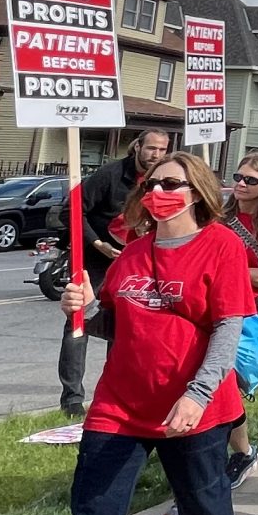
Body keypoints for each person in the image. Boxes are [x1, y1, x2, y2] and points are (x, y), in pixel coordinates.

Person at [0, 152, 249, 515]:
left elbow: (229, 327)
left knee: (204, 506)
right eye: (152, 183)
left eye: (172, 183)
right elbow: (116, 321)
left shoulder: (221, 246)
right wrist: (86, 306)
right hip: (120, 406)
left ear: (198, 192)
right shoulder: (133, 254)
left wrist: (198, 393)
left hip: (193, 407)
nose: (159, 190)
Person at [158, 152, 258, 515]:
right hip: (201, 310)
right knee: (219, 391)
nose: (241, 184)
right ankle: (242, 455)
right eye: (238, 176)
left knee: (220, 386)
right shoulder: (217, 213)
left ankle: (197, 488)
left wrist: (226, 269)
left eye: (251, 180)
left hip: (248, 318)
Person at [55, 125, 173, 417]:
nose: (155, 155)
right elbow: (71, 209)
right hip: (96, 258)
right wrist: (96, 243)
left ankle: (117, 390)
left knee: (126, 323)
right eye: (150, 148)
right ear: (137, 147)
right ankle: (72, 399)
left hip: (135, 261)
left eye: (161, 150)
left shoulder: (163, 180)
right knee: (78, 321)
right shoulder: (109, 176)